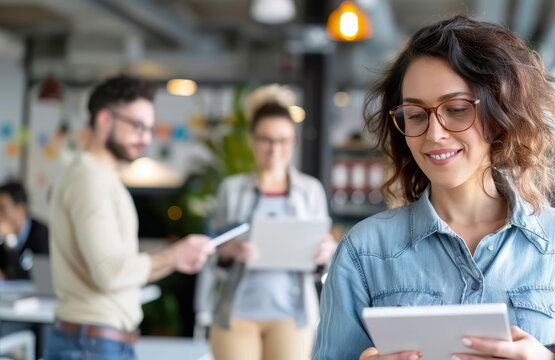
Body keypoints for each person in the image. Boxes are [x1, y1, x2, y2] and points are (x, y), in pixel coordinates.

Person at [312, 15, 555, 360]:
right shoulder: (363, 253)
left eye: (457, 109)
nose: (434, 134)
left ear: (500, 112)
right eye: (416, 115)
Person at [45, 75, 215, 360]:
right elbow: (109, 273)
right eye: (137, 126)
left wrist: (177, 257)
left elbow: (118, 267)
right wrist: (173, 256)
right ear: (104, 121)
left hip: (97, 341)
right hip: (92, 344)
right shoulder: (90, 180)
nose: (146, 138)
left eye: (150, 129)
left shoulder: (101, 177)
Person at [202, 85, 336, 360]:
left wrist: (325, 253)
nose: (275, 149)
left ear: (294, 141)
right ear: (252, 139)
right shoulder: (232, 189)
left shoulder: (310, 190)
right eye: (266, 139)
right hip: (237, 312)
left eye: (284, 140)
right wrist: (230, 250)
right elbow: (214, 255)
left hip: (293, 313)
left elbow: (321, 263)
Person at [0, 181, 49, 280]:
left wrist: (10, 241)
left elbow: (39, 278)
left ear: (21, 209)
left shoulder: (42, 235)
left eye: (3, 209)